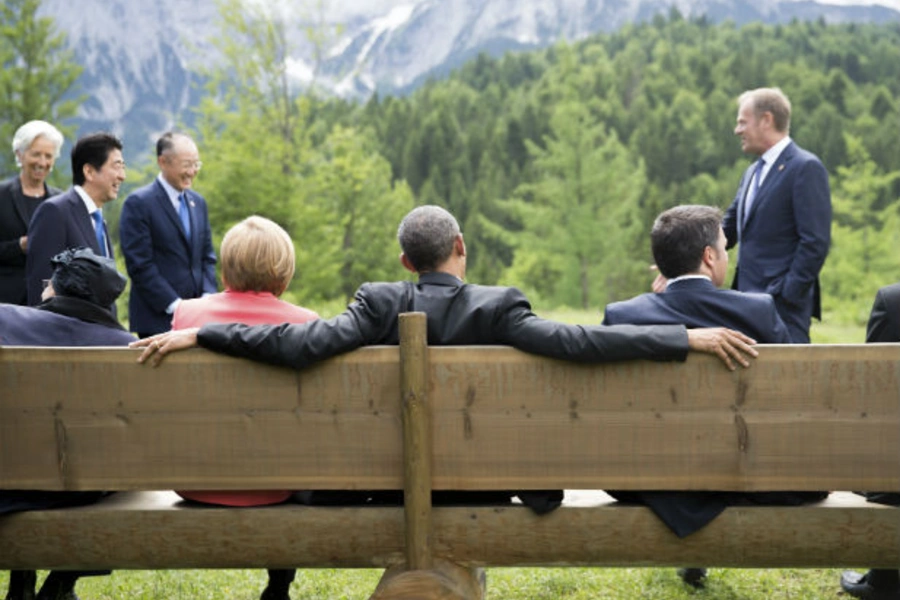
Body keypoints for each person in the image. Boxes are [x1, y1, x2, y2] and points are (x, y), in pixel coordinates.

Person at [604, 205, 827, 588]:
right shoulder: (758, 310)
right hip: (747, 471)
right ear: (709, 257)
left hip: (649, 477)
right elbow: (794, 396)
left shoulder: (623, 315)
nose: (727, 255)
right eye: (725, 247)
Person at [170, 216, 318, 600]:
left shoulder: (186, 315)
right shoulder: (306, 324)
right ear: (283, 272)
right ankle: (280, 584)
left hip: (197, 479)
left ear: (226, 266)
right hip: (278, 483)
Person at [2, 247, 133, 600]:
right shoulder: (127, 347)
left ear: (56, 290)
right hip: (82, 487)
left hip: (7, 480)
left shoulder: (5, 320)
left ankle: (21, 584)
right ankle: (60, 584)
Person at [722, 87, 832, 343]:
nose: (737, 130)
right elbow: (727, 230)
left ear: (766, 120)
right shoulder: (751, 173)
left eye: (742, 122)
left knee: (789, 382)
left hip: (783, 310)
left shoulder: (805, 167)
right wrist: (681, 260)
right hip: (745, 307)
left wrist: (787, 294)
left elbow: (815, 242)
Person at [119, 131, 217, 338]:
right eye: (186, 164)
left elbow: (207, 257)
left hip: (198, 321)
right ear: (163, 162)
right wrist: (176, 306)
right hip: (158, 320)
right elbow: (140, 265)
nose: (192, 171)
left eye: (196, 164)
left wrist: (208, 299)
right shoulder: (139, 203)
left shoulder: (198, 203)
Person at [838, 283, 900, 600]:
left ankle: (886, 579)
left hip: (894, 481)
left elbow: (869, 399)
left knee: (883, 461)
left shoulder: (893, 301)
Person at [24, 133, 125, 307]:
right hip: (67, 331)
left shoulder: (98, 219)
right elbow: (41, 287)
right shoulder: (55, 212)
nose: (122, 175)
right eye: (116, 166)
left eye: (123, 167)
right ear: (89, 171)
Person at [0, 121, 65, 305]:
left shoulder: (60, 200)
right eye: (36, 154)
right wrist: (18, 246)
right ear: (19, 155)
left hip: (47, 304)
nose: (42, 162)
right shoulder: (1, 195)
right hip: (5, 304)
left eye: (48, 156)